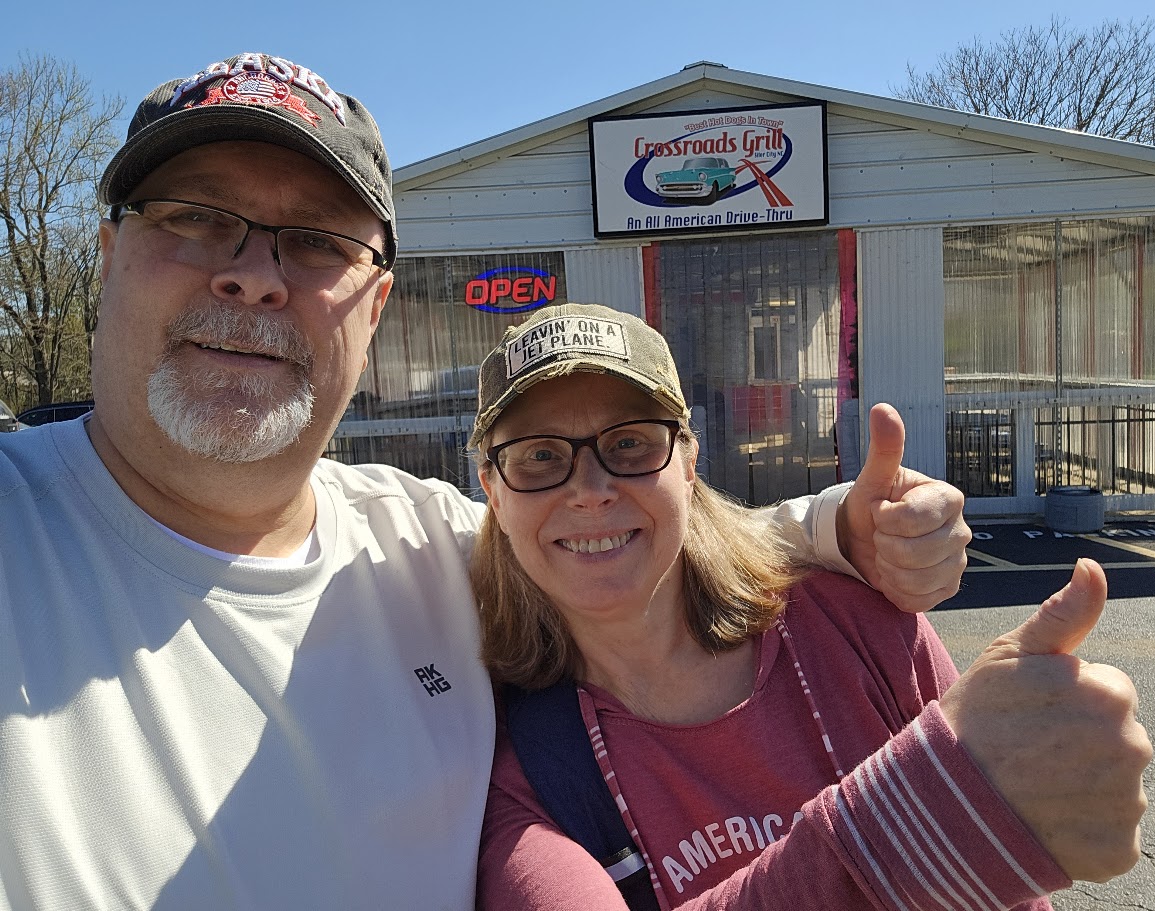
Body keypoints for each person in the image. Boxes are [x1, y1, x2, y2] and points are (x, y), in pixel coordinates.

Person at [0, 53, 974, 911]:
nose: (254, 275)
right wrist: (955, 810)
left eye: (319, 240)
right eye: (196, 218)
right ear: (109, 254)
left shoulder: (419, 539)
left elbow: (632, 541)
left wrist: (844, 526)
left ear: (375, 306)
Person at [470, 303, 1152, 910]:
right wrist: (929, 814)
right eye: (538, 456)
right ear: (492, 491)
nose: (590, 489)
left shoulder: (854, 625)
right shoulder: (522, 770)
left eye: (629, 442)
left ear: (687, 458)